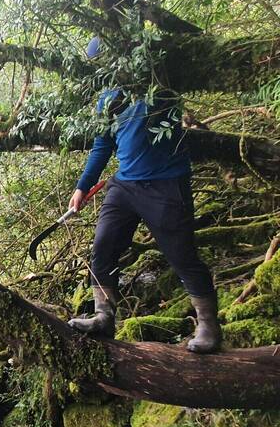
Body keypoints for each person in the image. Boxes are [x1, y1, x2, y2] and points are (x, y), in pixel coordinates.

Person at [67, 38, 222, 354]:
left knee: (181, 255)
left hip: (165, 183)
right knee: (103, 245)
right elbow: (102, 144)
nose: (106, 69)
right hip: (124, 185)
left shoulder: (157, 80)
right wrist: (83, 185)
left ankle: (208, 325)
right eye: (100, 64)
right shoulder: (107, 98)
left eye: (108, 61)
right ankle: (103, 315)